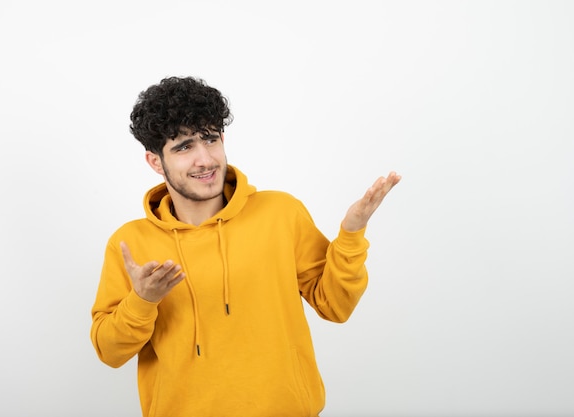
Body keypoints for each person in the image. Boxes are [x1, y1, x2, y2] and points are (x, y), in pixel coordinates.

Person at [90, 76, 401, 417]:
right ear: (155, 162)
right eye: (183, 147)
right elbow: (110, 352)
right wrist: (142, 301)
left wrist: (351, 234)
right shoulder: (131, 243)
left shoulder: (280, 213)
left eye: (210, 139)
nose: (205, 159)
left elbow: (336, 306)